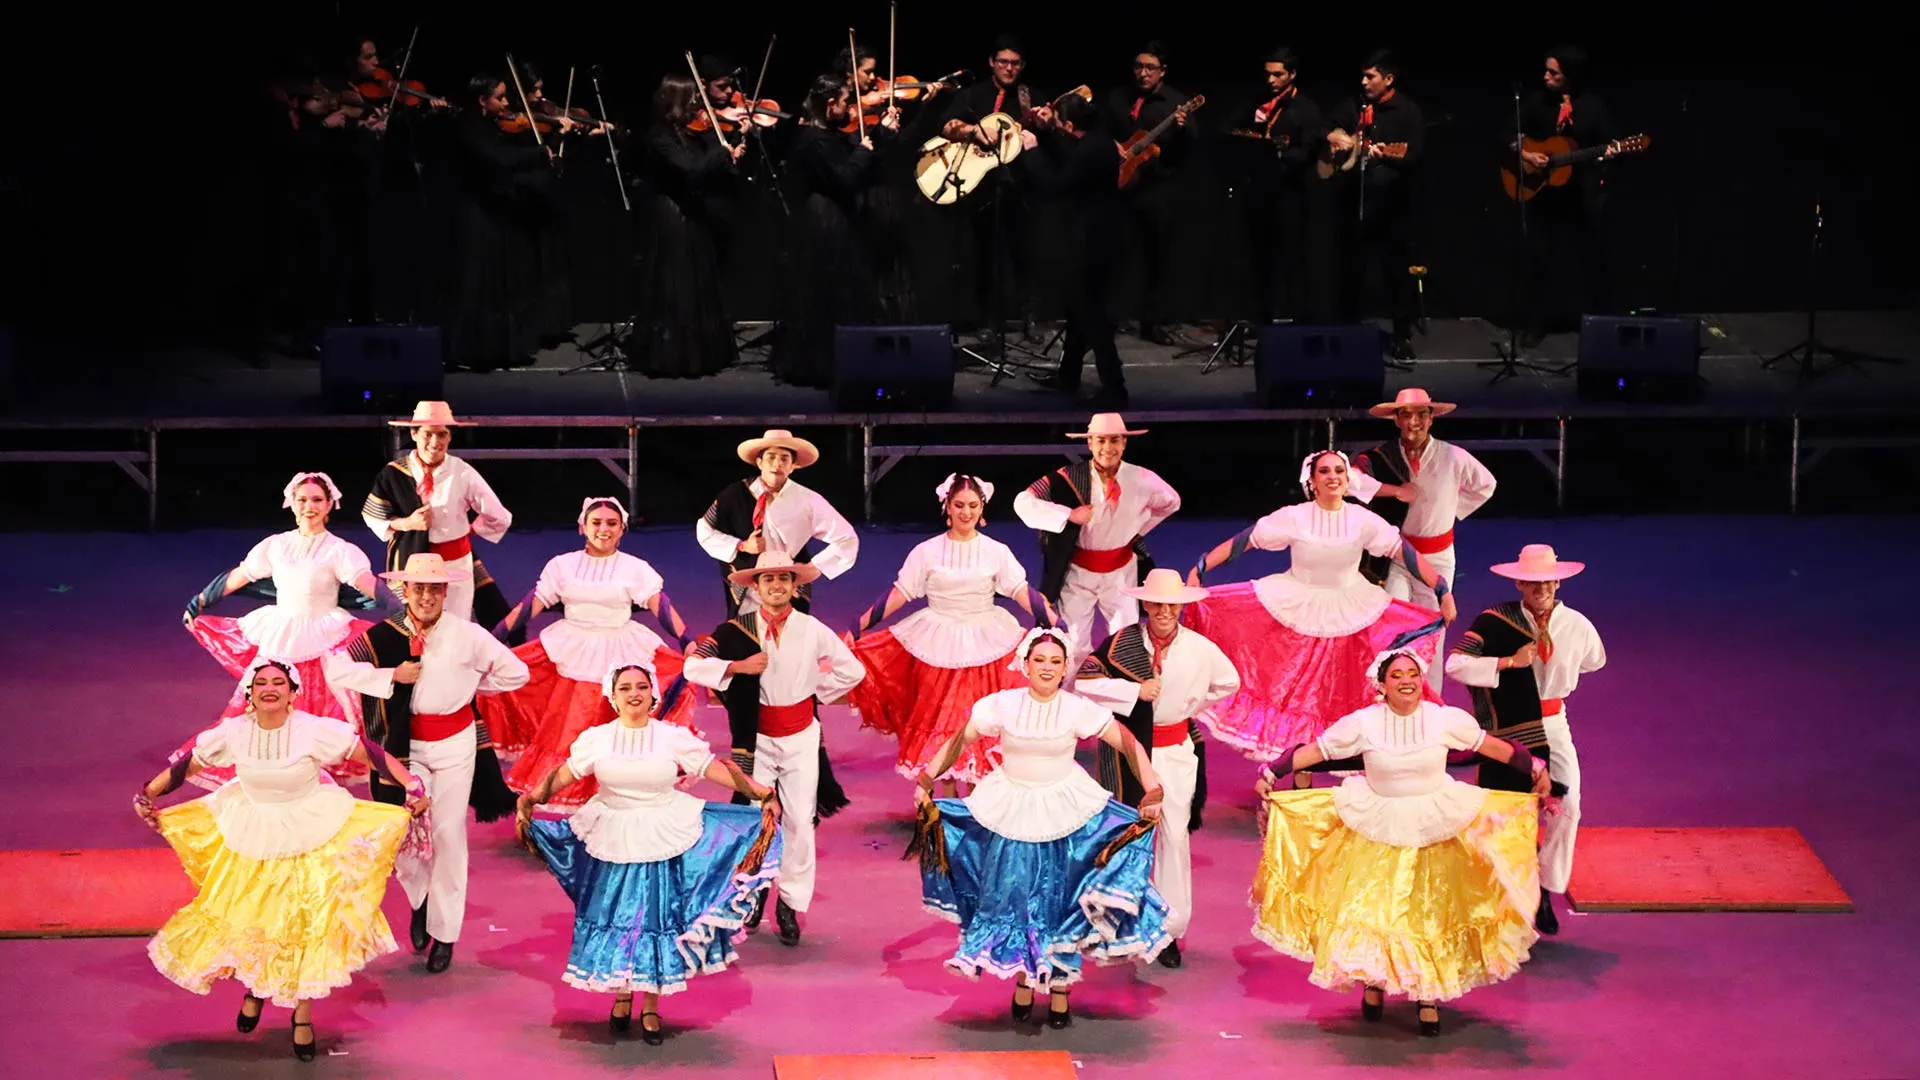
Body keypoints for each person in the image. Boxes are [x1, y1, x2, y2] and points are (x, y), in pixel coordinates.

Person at [138, 659, 430, 1061]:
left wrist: (413, 785)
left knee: (306, 925)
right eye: (261, 683)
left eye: (279, 682)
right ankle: (256, 990)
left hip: (312, 833)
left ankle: (302, 1015)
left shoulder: (312, 730)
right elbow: (188, 765)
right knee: (255, 919)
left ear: (293, 693)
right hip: (254, 834)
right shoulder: (234, 733)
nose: (270, 688)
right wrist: (148, 793)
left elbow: (372, 755)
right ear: (251, 693)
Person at [1250, 650, 1549, 1037]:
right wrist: (1271, 772)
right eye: (1397, 675)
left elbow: (1494, 748)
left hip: (1436, 823)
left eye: (1412, 674)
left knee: (1430, 912)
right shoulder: (1364, 723)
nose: (1406, 681)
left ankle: (1427, 994)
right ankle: (1374, 980)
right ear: (1382, 684)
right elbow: (1316, 751)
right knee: (1377, 911)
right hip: (1378, 824)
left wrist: (1536, 769)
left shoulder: (1443, 720)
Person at [909, 628, 1171, 1027]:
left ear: (1065, 668)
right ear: (1026, 665)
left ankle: (1061, 984)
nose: (1047, 668)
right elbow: (959, 741)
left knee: (1060, 899)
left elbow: (1129, 744)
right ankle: (1024, 979)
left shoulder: (1076, 709)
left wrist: (1152, 788)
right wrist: (927, 779)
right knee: (1015, 896)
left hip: (1067, 809)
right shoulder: (1001, 705)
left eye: (1055, 662)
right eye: (1040, 660)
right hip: (1010, 808)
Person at [516, 662, 782, 1044]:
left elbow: (714, 768)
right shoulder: (597, 739)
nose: (634, 694)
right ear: (613, 696)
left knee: (654, 920)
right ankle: (623, 994)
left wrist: (760, 792)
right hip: (611, 836)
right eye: (625, 688)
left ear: (653, 693)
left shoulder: (671, 737)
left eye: (641, 686)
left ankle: (652, 1006)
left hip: (662, 834)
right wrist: (534, 797)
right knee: (616, 919)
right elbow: (566, 773)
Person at [323, 553, 530, 973]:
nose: (426, 597)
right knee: (405, 833)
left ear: (445, 592)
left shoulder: (468, 634)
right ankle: (420, 900)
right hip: (405, 749)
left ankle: (445, 933)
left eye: (434, 589)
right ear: (405, 591)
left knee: (448, 836)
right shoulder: (386, 634)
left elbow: (517, 673)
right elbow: (336, 670)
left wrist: (473, 683)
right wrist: (389, 678)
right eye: (418, 588)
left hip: (455, 746)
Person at [1184, 449, 1456, 766]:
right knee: (1291, 686)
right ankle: (1297, 764)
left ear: (1347, 479)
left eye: (1339, 471)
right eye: (1324, 471)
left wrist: (1441, 588)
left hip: (1351, 606)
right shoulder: (1294, 516)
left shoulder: (1362, 520)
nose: (1333, 477)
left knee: (1341, 685)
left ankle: (1344, 753)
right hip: (1297, 602)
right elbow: (1245, 541)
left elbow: (1403, 553)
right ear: (1312, 481)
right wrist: (1200, 568)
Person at [681, 552, 866, 946]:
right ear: (755, 586)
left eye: (784, 579)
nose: (777, 586)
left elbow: (853, 670)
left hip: (800, 738)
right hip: (757, 741)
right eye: (768, 580)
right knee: (756, 818)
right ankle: (754, 892)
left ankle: (790, 902)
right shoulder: (737, 630)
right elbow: (692, 667)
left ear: (794, 586)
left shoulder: (812, 628)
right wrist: (737, 668)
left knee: (800, 820)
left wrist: (813, 693)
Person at [485, 497, 699, 809]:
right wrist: (494, 637)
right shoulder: (562, 565)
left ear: (622, 529)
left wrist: (687, 641)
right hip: (571, 646)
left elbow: (660, 606)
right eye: (596, 523)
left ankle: (616, 790)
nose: (603, 529)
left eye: (612, 523)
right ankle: (569, 795)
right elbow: (532, 604)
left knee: (613, 714)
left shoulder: (634, 567)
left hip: (620, 646)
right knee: (561, 715)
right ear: (582, 527)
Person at [1073, 569, 1239, 968]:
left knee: (1173, 838)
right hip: (1129, 755)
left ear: (1181, 607)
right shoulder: (1123, 643)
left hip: (1176, 752)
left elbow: (1228, 682)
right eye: (1158, 604)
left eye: (1172, 605)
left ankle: (1168, 930)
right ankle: (1119, 922)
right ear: (1145, 604)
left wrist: (1189, 707)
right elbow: (1085, 681)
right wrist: (1134, 691)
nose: (1165, 612)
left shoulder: (1200, 648)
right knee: (1125, 835)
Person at [175, 472, 381, 790]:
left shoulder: (340, 551)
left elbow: (366, 583)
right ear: (292, 504)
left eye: (317, 500)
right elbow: (241, 575)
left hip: (324, 635)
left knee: (322, 708)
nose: (309, 506)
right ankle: (265, 766)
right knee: (262, 701)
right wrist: (202, 599)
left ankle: (311, 773)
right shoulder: (276, 545)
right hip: (281, 634)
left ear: (330, 505)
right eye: (303, 500)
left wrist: (396, 604)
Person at [846, 474, 1053, 789]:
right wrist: (859, 624)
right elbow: (901, 592)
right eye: (959, 505)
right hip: (938, 642)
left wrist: (1053, 622)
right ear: (947, 507)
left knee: (980, 722)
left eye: (972, 505)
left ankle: (978, 804)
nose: (966, 512)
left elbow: (1020, 591)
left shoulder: (996, 551)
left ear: (982, 507)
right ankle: (944, 807)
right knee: (944, 722)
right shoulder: (927, 551)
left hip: (987, 640)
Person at [1445, 544, 1607, 935]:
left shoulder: (1578, 626)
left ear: (1558, 583)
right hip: (1509, 727)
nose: (1542, 589)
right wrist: (1508, 663)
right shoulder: (1496, 622)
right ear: (1519, 584)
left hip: (1553, 722)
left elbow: (1593, 661)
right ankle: (1504, 892)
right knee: (1506, 808)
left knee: (1568, 805)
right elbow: (1456, 665)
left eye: (1548, 581)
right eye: (1533, 582)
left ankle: (1547, 887)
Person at [1349, 388, 1498, 691]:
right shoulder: (1383, 457)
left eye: (1421, 415)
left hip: (1438, 557)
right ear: (1396, 420)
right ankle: (1388, 693)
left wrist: (1451, 508)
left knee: (1432, 631)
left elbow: (1486, 484)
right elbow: (1352, 480)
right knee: (1393, 622)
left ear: (1431, 419)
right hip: (1397, 556)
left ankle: (1431, 699)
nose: (1413, 422)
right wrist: (1395, 491)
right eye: (1406, 415)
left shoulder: (1454, 456)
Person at [1012, 413, 1182, 662]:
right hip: (1078, 574)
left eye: (1114, 440)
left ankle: (1122, 686)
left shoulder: (1142, 478)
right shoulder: (1069, 477)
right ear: (1090, 443)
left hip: (1121, 574)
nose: (1108, 448)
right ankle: (1073, 687)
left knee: (1125, 641)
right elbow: (1023, 502)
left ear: (1124, 443)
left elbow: (1171, 502)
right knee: (1073, 643)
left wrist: (1137, 527)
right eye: (1101, 440)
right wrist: (1069, 515)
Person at [767, 73, 894, 388]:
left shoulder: (829, 135)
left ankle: (841, 361)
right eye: (845, 102)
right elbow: (844, 179)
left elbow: (860, 164)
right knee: (828, 293)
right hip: (825, 220)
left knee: (841, 291)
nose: (850, 108)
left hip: (834, 217)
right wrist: (863, 151)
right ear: (830, 105)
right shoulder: (813, 140)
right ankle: (822, 364)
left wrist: (880, 134)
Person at [443, 73, 574, 371]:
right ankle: (471, 351)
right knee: (478, 282)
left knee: (500, 283)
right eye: (499, 97)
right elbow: (498, 159)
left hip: (495, 209)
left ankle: (498, 349)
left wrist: (553, 144)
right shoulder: (468, 126)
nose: (505, 103)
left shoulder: (489, 125)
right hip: (476, 212)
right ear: (481, 100)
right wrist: (540, 153)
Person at [625, 72, 747, 377]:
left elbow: (708, 168)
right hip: (672, 214)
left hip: (693, 213)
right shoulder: (659, 136)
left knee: (698, 285)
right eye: (692, 100)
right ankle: (673, 356)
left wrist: (731, 147)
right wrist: (720, 153)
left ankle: (700, 354)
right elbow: (691, 170)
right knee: (677, 285)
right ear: (676, 101)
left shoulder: (690, 131)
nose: (697, 105)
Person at [361, 401, 514, 626]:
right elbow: (373, 516)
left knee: (454, 627)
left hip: (454, 566)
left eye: (442, 434)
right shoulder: (393, 474)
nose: (435, 442)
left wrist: (471, 530)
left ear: (450, 437)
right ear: (413, 434)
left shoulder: (462, 472)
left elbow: (499, 516)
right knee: (415, 628)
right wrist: (408, 524)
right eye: (428, 434)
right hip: (412, 565)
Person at [1023, 93, 1131, 406]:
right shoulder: (1097, 140)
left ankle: (1115, 388)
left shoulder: (1091, 150)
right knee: (1078, 311)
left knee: (1094, 315)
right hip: (1097, 236)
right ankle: (1069, 376)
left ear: (1070, 125)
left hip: (1095, 241)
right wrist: (1045, 132)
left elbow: (1054, 185)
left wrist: (1032, 151)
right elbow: (1068, 158)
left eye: (1059, 123)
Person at [937, 34, 1041, 332]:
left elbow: (1049, 132)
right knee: (984, 257)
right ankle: (987, 322)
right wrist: (974, 131)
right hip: (981, 187)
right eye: (1003, 62)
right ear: (991, 63)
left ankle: (1028, 320)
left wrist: (1042, 129)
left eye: (1015, 63)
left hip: (1019, 185)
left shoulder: (1029, 97)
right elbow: (946, 126)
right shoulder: (973, 94)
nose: (1009, 68)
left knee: (1024, 254)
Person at [696, 429, 860, 618]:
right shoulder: (735, 494)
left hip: (789, 583)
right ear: (759, 462)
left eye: (784, 458)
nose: (777, 464)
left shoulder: (808, 500)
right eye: (771, 457)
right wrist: (742, 546)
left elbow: (847, 538)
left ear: (793, 466)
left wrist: (814, 567)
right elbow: (705, 530)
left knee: (790, 630)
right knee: (747, 631)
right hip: (749, 582)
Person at [1516, 46, 1620, 344]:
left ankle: (1598, 324)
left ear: (1570, 76)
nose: (1546, 77)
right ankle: (1536, 323)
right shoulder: (1536, 102)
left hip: (1581, 192)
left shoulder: (1592, 106)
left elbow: (1608, 141)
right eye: (1546, 71)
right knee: (1539, 258)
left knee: (1590, 258)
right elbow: (1508, 135)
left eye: (1554, 73)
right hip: (1545, 194)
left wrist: (1609, 153)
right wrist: (1527, 155)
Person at [1326, 50, 1425, 360]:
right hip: (1353, 201)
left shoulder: (1407, 111)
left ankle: (1401, 336)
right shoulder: (1354, 105)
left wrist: (1388, 157)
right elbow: (1328, 128)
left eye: (1371, 76)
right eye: (1363, 76)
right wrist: (1337, 138)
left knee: (1395, 273)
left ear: (1389, 79)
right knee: (1350, 270)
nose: (1364, 82)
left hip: (1392, 206)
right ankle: (1347, 332)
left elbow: (1414, 154)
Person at [1101, 40, 1192, 346]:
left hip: (1157, 189)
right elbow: (1101, 130)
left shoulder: (1177, 103)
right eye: (1139, 67)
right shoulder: (1118, 97)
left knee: (1157, 258)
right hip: (1120, 186)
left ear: (1162, 71)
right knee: (1114, 254)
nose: (1143, 73)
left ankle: (1152, 322)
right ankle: (1109, 317)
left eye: (1150, 68)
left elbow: (1189, 148)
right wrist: (1112, 145)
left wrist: (1182, 129)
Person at [1234, 47, 1326, 324]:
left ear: (1292, 74)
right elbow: (1233, 129)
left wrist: (1271, 154)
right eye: (1268, 74)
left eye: (1278, 75)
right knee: (1259, 259)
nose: (1271, 80)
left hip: (1290, 194)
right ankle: (1260, 319)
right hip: (1259, 192)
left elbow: (1306, 152)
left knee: (1291, 259)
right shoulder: (1258, 102)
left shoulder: (1305, 109)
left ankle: (1300, 321)